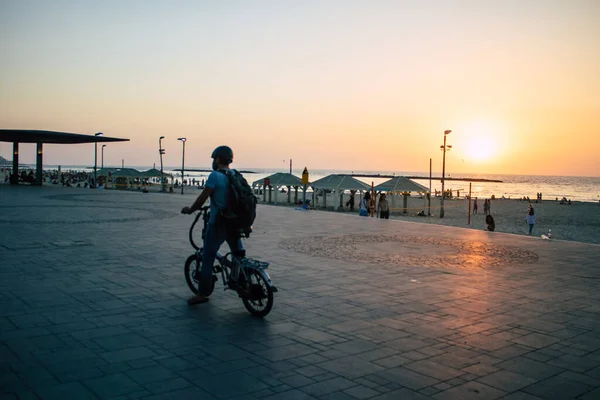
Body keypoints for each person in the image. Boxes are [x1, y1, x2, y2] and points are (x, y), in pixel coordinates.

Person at [181, 146, 245, 305]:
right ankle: (243, 282)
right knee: (238, 255)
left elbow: (203, 198)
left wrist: (191, 210)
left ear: (217, 159)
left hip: (218, 223)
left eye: (214, 158)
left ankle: (202, 294)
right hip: (236, 222)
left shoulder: (215, 176)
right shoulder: (235, 174)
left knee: (208, 258)